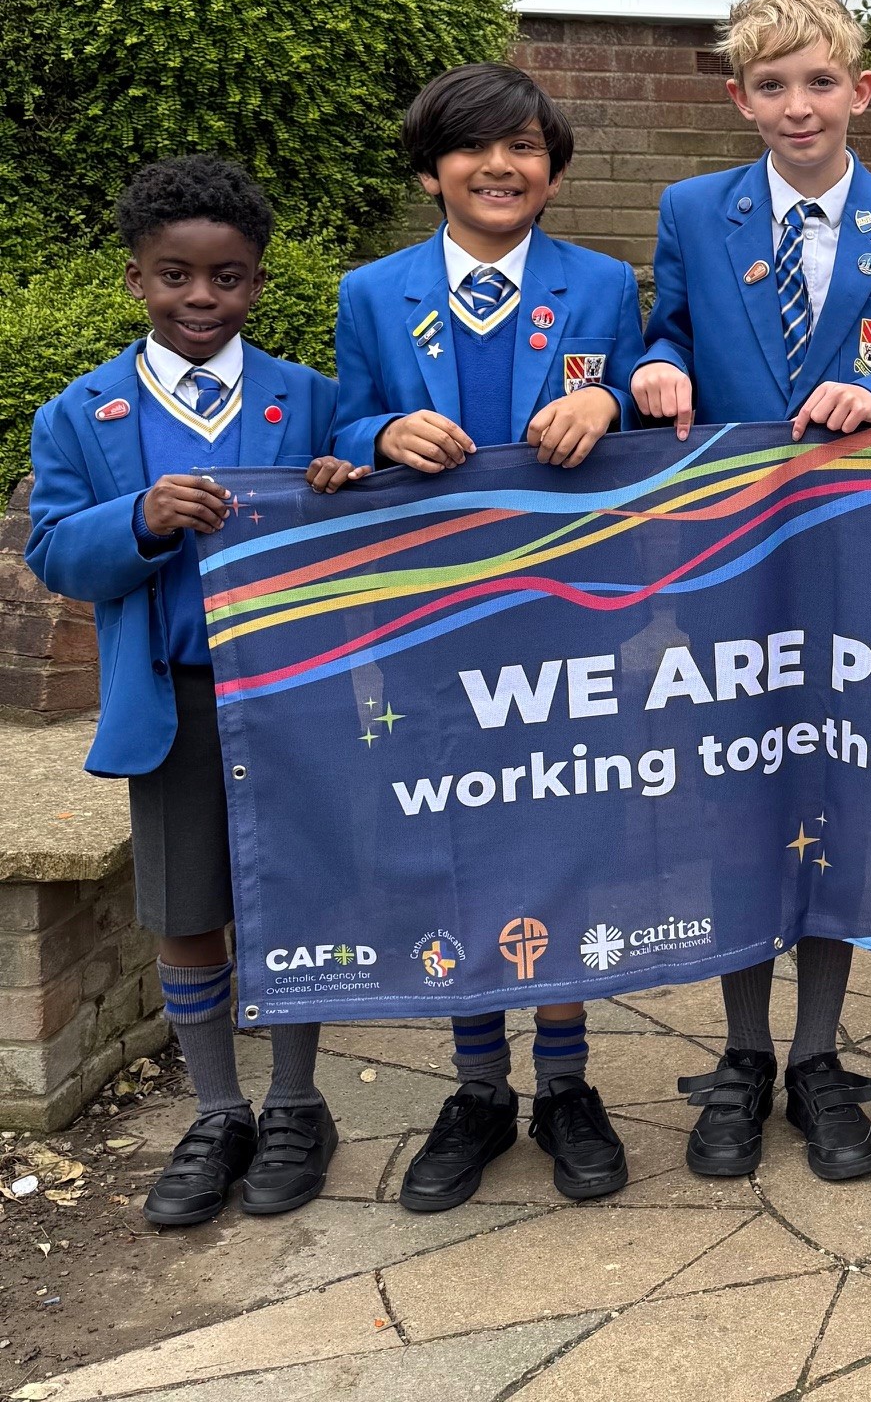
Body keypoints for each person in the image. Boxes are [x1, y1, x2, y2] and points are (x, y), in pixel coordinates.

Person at [630, 0, 871, 1183]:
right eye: (771, 86)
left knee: (832, 802)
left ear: (860, 90)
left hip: (852, 561)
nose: (797, 106)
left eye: (819, 82)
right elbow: (663, 331)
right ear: (739, 99)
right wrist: (655, 372)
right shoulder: (691, 211)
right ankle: (740, 1057)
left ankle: (821, 1054)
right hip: (723, 560)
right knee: (735, 799)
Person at [330, 62, 646, 1211]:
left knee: (560, 841)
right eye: (474, 150)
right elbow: (341, 425)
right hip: (427, 620)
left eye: (523, 147)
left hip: (564, 617)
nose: (500, 167)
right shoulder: (372, 293)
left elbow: (655, 408)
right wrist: (380, 426)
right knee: (459, 843)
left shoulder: (604, 286)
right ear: (431, 173)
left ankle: (565, 1082)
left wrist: (609, 401)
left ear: (552, 170)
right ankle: (477, 1089)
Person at [27, 157, 363, 1227]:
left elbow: (366, 526)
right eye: (177, 277)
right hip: (172, 701)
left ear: (258, 283)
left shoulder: (310, 400)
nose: (203, 299)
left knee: (297, 899)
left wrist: (339, 484)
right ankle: (219, 1110)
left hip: (296, 696)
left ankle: (299, 1102)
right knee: (188, 914)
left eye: (227, 277)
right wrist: (139, 518)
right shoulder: (82, 416)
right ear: (136, 280)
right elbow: (56, 555)